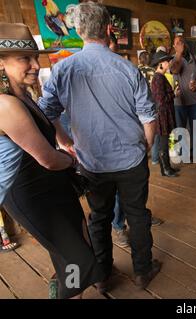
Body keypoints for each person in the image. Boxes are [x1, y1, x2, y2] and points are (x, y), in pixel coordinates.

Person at [38, 2, 161, 291]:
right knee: (138, 215)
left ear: (79, 31)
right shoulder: (128, 69)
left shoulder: (63, 69)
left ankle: (103, 275)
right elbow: (149, 117)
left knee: (99, 217)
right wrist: (145, 147)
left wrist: (64, 141)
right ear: (109, 29)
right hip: (131, 160)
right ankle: (143, 271)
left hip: (91, 163)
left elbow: (47, 112)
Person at [0, 22, 105, 298]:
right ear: (1, 65)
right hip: (32, 193)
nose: (35, 65)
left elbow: (47, 136)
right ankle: (67, 291)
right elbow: (47, 159)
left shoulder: (24, 95)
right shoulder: (5, 104)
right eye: (25, 58)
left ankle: (65, 284)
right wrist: (73, 162)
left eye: (35, 57)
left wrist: (65, 144)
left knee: (76, 244)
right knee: (77, 259)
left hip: (52, 184)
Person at [170, 36, 196, 161]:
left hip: (194, 100)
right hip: (180, 101)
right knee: (181, 129)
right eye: (176, 43)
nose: (179, 44)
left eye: (181, 42)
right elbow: (174, 70)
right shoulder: (174, 59)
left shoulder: (194, 58)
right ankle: (183, 154)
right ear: (174, 46)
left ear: (185, 44)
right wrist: (178, 53)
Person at [151, 51, 180, 177]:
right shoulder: (158, 78)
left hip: (165, 113)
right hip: (163, 115)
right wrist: (174, 94)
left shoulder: (160, 77)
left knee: (166, 141)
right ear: (160, 64)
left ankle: (166, 167)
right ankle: (166, 169)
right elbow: (160, 100)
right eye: (167, 61)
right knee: (163, 143)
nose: (169, 63)